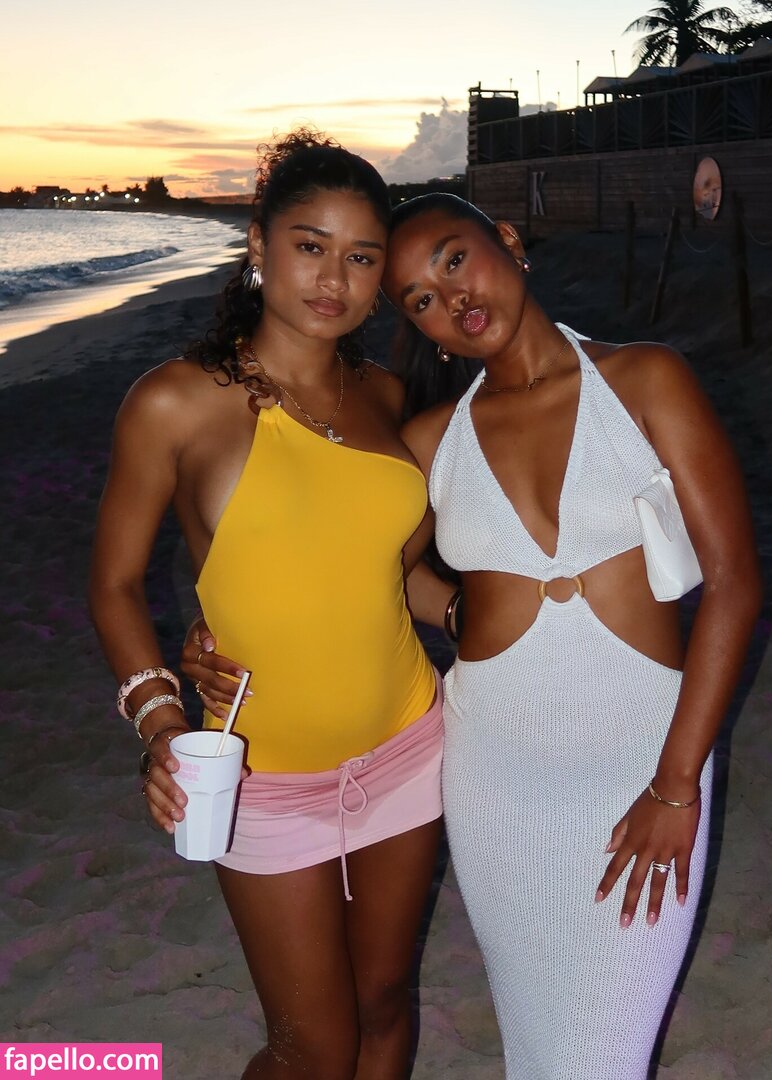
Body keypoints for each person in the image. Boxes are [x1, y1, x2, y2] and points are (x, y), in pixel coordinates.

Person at [88, 132, 454, 1080]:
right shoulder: (175, 403)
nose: (334, 278)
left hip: (409, 746)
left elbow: (389, 573)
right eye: (310, 245)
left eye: (362, 257)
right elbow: (115, 582)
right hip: (260, 778)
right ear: (258, 244)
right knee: (311, 1049)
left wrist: (469, 616)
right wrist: (161, 721)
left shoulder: (388, 395)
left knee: (384, 1006)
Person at [379, 194, 762, 1078]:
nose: (451, 297)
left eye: (454, 259)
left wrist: (676, 785)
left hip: (644, 759)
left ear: (508, 242)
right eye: (420, 299)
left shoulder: (645, 381)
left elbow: (736, 584)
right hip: (496, 771)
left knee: (603, 1056)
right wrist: (453, 611)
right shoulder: (432, 440)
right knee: (535, 1045)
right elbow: (377, 575)